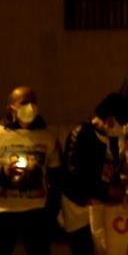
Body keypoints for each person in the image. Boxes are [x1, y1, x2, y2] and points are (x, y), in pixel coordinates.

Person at [60, 93, 128, 255]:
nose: (123, 128)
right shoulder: (81, 134)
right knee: (83, 248)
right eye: (122, 123)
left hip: (102, 206)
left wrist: (120, 183)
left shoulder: (112, 138)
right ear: (109, 119)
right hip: (79, 206)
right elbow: (75, 176)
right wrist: (106, 191)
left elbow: (112, 167)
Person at [0, 86, 62, 255]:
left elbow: (56, 175)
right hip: (4, 212)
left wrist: (52, 210)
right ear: (10, 108)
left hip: (37, 213)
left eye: (33, 102)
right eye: (24, 102)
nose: (30, 107)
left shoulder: (48, 136)